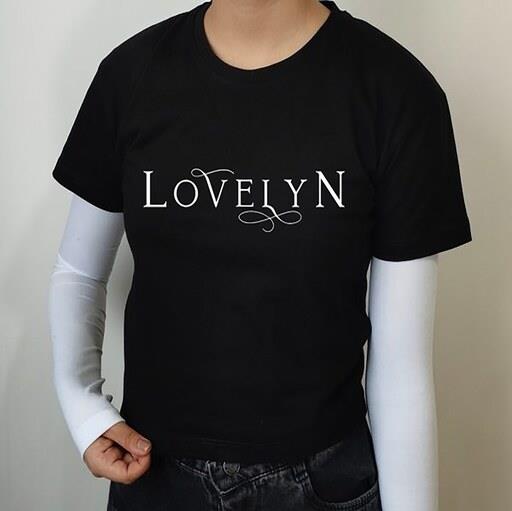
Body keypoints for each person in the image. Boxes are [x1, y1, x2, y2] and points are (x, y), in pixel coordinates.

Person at [48, 1, 472, 510]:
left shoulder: (395, 91)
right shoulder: (132, 74)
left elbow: (401, 365)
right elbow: (79, 273)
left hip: (325, 481)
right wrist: (83, 407)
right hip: (153, 473)